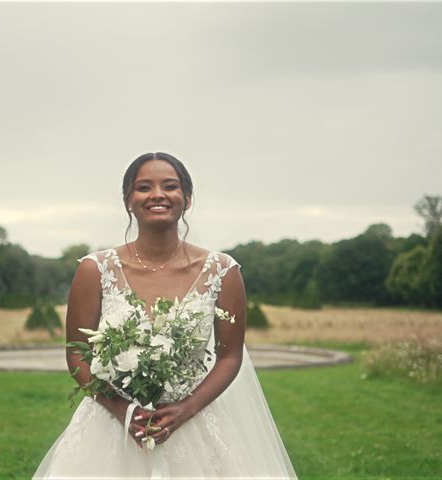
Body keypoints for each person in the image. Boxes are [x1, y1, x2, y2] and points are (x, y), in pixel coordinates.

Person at [33, 152, 297, 479]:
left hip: (193, 424)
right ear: (128, 200)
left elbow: (229, 357)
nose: (157, 194)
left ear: (187, 199)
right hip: (110, 426)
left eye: (169, 186)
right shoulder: (95, 270)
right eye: (144, 187)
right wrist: (122, 409)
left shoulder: (222, 271)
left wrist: (186, 409)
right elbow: (76, 352)